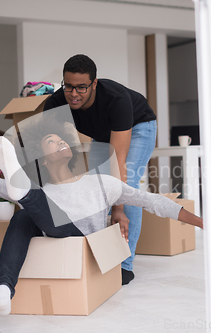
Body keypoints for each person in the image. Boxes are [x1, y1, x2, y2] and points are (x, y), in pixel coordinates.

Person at [0, 118, 202, 316]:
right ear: (42, 156)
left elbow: (153, 202)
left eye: (64, 140)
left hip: (85, 245)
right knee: (23, 217)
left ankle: (17, 189)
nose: (62, 143)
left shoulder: (101, 182)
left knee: (27, 200)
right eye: (52, 142)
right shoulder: (41, 188)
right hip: (46, 221)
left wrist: (204, 223)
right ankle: (3, 292)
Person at [44, 54, 157, 284]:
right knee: (92, 186)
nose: (74, 94)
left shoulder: (117, 99)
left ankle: (124, 265)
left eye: (82, 87)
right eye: (69, 87)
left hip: (137, 127)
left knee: (126, 188)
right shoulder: (55, 104)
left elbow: (118, 161)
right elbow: (48, 153)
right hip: (101, 137)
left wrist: (117, 208)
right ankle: (97, 257)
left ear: (94, 83)